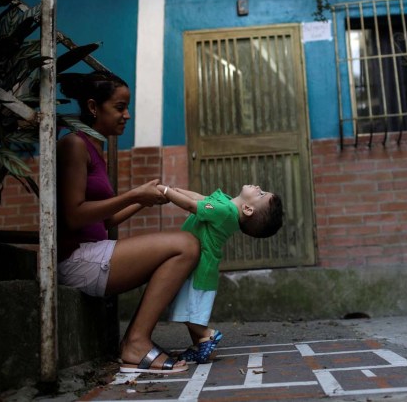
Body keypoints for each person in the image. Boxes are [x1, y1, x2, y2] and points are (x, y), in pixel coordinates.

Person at [56, 71, 200, 374]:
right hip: (77, 260)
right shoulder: (74, 145)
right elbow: (73, 215)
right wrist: (134, 194)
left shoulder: (94, 146)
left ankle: (136, 340)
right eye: (120, 107)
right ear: (94, 107)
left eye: (127, 107)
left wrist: (142, 201)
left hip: (95, 251)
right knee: (185, 245)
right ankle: (136, 342)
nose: (127, 115)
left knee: (185, 245)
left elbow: (105, 219)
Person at [156, 183, 283, 363]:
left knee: (187, 311)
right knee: (190, 311)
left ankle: (209, 335)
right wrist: (175, 190)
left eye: (260, 193)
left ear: (247, 209)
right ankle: (202, 347)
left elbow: (192, 206)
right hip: (195, 265)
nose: (258, 187)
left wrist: (166, 192)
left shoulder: (225, 212)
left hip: (199, 269)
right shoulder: (225, 203)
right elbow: (199, 197)